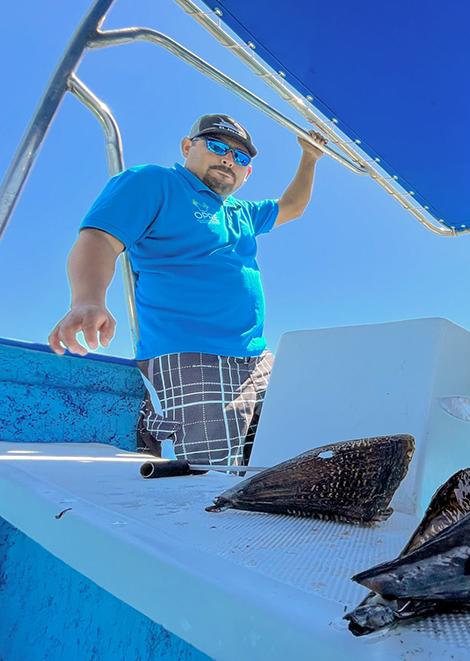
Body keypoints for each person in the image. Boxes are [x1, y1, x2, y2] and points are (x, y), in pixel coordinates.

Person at [48, 114, 327, 467]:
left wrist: (309, 158)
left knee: (290, 452)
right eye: (217, 146)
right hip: (188, 357)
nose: (229, 159)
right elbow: (100, 239)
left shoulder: (241, 211)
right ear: (187, 146)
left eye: (240, 158)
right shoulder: (154, 182)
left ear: (247, 173)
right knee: (204, 477)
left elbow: (292, 207)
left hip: (257, 360)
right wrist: (88, 300)